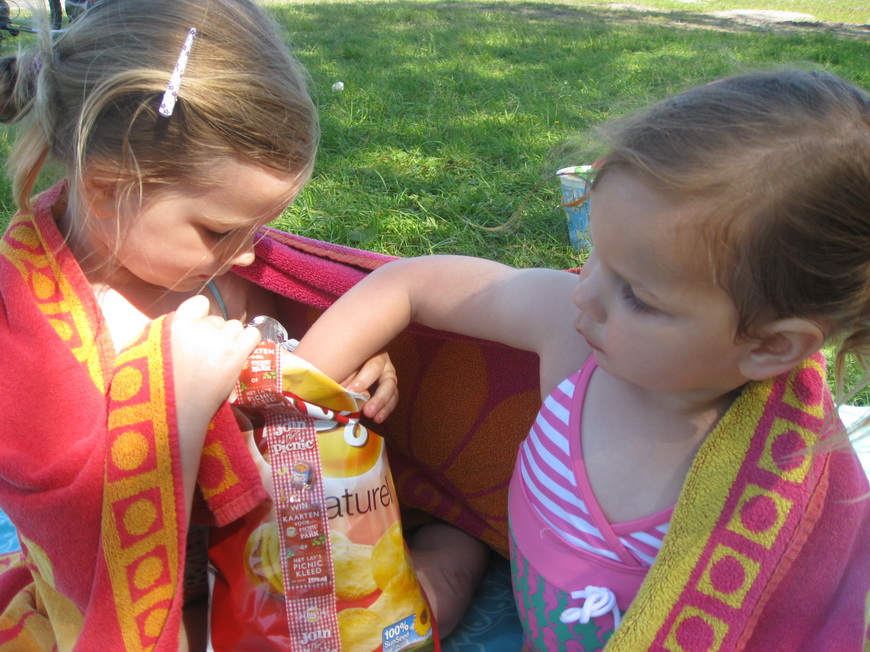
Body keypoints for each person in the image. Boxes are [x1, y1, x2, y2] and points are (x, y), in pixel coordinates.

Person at [294, 69, 870, 651]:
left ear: (771, 345)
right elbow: (410, 283)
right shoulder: (571, 339)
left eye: (638, 296)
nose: (583, 292)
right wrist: (297, 396)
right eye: (596, 252)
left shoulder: (768, 490)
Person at [0, 0, 402, 649]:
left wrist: (336, 377)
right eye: (221, 229)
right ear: (107, 188)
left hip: (259, 558)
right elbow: (91, 560)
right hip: (145, 613)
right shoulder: (32, 346)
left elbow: (271, 346)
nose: (247, 252)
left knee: (450, 554)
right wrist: (178, 416)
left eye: (259, 227)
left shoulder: (200, 268)